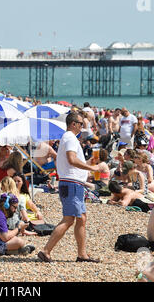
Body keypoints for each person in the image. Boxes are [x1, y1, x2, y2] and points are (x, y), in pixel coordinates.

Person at [37, 112, 101, 263]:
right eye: (80, 124)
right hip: (71, 183)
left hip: (73, 183)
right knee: (69, 219)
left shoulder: (69, 139)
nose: (82, 126)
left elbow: (72, 160)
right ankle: (46, 251)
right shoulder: (70, 138)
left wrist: (88, 165)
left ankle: (82, 254)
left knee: (81, 218)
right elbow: (72, 160)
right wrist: (91, 168)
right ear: (73, 124)